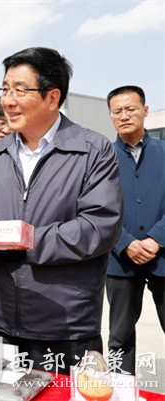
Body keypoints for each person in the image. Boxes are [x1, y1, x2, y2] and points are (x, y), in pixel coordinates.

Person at [0, 47, 122, 374]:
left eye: (20, 90)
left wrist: (29, 239)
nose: (8, 100)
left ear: (52, 97)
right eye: (5, 89)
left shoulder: (92, 150)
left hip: (64, 323)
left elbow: (100, 226)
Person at [106, 85, 164, 374]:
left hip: (163, 256)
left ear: (145, 110)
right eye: (117, 111)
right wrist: (125, 242)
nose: (124, 115)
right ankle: (121, 389)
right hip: (120, 260)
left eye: (131, 109)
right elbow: (95, 208)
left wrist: (157, 238)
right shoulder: (101, 157)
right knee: (120, 336)